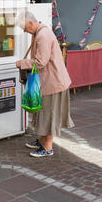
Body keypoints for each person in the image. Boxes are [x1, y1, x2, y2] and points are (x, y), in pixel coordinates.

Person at [15, 10, 74, 158]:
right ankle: (42, 140)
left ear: (31, 23)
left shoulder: (42, 35)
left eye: (25, 28)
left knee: (48, 114)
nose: (25, 31)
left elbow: (41, 62)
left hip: (53, 82)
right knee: (44, 112)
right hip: (50, 81)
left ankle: (48, 147)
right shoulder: (40, 32)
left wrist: (22, 63)